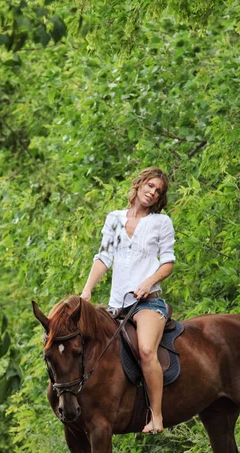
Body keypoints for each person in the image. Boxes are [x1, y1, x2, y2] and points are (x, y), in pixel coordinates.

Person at [81, 167, 176, 434]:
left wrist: (148, 282)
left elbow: (168, 262)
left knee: (146, 350)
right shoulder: (114, 218)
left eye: (158, 191)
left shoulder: (161, 222)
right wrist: (87, 290)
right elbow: (103, 258)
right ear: (139, 184)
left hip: (147, 303)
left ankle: (156, 416)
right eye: (150, 186)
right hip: (116, 306)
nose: (152, 193)